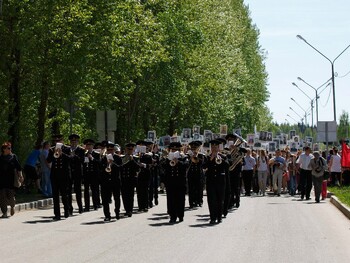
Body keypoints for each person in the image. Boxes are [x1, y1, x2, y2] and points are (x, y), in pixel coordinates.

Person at [203, 140, 228, 224]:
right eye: (212, 147)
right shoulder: (207, 157)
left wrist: (221, 159)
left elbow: (227, 166)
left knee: (220, 200)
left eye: (215, 147)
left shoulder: (223, 156)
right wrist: (211, 159)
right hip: (210, 181)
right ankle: (212, 218)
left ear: (218, 148)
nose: (214, 149)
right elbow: (204, 166)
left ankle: (219, 217)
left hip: (220, 181)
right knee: (211, 200)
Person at [47, 134, 71, 220]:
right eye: (56, 141)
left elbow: (70, 159)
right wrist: (53, 153)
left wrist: (62, 154)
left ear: (62, 140)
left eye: (59, 140)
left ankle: (66, 210)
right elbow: (48, 160)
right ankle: (57, 214)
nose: (57, 142)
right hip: (54, 175)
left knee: (64, 194)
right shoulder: (51, 149)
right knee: (55, 195)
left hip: (64, 175)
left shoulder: (67, 149)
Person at [163, 142, 187, 223]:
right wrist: (166, 159)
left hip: (180, 181)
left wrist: (178, 162)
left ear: (179, 150)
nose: (174, 151)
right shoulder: (168, 158)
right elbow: (162, 167)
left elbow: (186, 166)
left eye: (176, 150)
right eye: (172, 149)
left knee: (180, 199)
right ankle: (172, 216)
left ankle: (180, 215)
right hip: (170, 181)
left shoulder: (183, 157)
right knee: (170, 199)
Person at [0, 142, 23, 218]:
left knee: (11, 197)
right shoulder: (0, 158)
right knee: (2, 197)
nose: (10, 149)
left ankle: (12, 206)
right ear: (4, 149)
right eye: (8, 148)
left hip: (11, 180)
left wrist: (21, 176)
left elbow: (19, 168)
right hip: (2, 180)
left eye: (10, 148)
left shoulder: (13, 157)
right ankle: (4, 212)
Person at [100, 142, 122, 221]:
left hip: (115, 180)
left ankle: (117, 212)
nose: (109, 151)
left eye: (111, 149)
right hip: (105, 181)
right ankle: (107, 215)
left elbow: (120, 168)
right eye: (108, 149)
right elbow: (100, 169)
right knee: (105, 199)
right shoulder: (103, 158)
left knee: (117, 198)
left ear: (114, 150)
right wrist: (106, 164)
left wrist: (113, 164)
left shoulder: (118, 158)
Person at [120, 143, 140, 217]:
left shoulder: (136, 158)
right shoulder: (122, 157)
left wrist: (132, 160)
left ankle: (130, 210)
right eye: (128, 149)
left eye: (131, 149)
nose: (129, 150)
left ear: (133, 150)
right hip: (124, 179)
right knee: (124, 196)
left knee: (130, 196)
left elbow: (138, 168)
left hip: (131, 179)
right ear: (125, 149)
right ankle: (126, 209)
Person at [67, 134, 85, 214]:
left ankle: (80, 207)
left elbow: (82, 160)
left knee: (78, 190)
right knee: (68, 191)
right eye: (72, 141)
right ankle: (69, 208)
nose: (73, 143)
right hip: (69, 172)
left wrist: (75, 155)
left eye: (75, 141)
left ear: (78, 142)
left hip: (78, 172)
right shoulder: (67, 149)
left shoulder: (81, 150)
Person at [83, 139, 101, 211]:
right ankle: (87, 206)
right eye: (87, 145)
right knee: (86, 190)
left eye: (90, 145)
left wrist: (92, 158)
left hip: (94, 174)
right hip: (87, 174)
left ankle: (95, 204)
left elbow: (99, 163)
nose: (89, 147)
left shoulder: (96, 154)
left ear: (92, 146)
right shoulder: (84, 153)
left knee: (94, 190)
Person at [187, 141, 205, 208]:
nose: (193, 149)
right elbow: (187, 164)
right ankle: (191, 202)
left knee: (199, 188)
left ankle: (199, 201)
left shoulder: (201, 155)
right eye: (192, 148)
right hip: (191, 173)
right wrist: (191, 157)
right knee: (191, 188)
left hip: (199, 173)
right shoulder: (188, 155)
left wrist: (196, 156)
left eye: (195, 148)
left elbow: (202, 163)